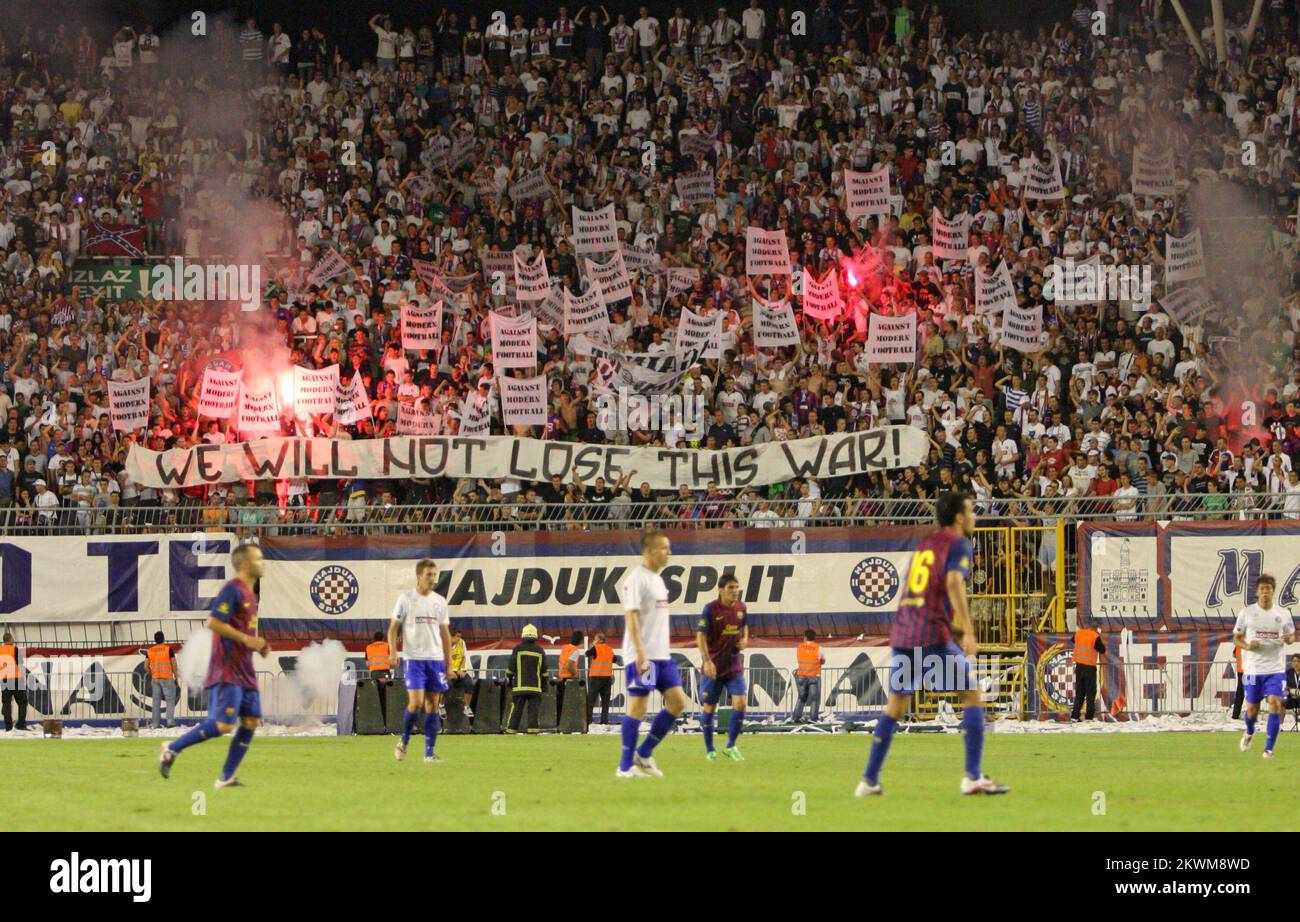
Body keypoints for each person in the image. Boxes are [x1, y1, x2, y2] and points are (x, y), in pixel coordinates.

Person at [857, 492, 1009, 796]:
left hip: (903, 631)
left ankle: (868, 781)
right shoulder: (958, 543)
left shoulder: (925, 544)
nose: (974, 517)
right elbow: (953, 582)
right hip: (929, 633)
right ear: (958, 517)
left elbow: (925, 590)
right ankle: (973, 776)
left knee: (896, 707)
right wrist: (967, 629)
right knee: (972, 695)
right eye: (971, 511)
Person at [159, 544, 272, 786]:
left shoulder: (251, 597)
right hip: (227, 667)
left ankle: (225, 777)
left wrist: (258, 645)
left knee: (251, 722)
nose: (263, 563)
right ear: (244, 564)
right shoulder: (232, 589)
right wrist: (246, 639)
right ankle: (171, 748)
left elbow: (244, 633)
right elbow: (213, 622)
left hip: (245, 669)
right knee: (223, 724)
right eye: (258, 559)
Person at [616, 530, 688, 778]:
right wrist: (640, 654)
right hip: (643, 655)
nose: (669, 553)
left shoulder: (658, 579)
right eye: (664, 548)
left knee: (679, 702)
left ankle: (644, 753)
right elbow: (631, 617)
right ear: (649, 551)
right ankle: (625, 767)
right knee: (638, 708)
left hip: (662, 656)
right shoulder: (636, 579)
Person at [388, 559, 453, 762]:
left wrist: (449, 663)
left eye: (435, 574)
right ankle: (404, 741)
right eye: (429, 575)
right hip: (414, 660)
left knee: (432, 705)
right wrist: (392, 652)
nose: (433, 578)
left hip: (435, 660)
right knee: (416, 704)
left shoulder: (440, 601)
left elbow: (445, 634)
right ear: (419, 576)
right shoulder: (406, 599)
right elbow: (392, 629)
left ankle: (429, 753)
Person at [1233, 574, 1296, 758]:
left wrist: (1289, 639)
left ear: (1273, 591)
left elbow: (1292, 635)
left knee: (1276, 704)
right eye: (1262, 589)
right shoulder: (1247, 613)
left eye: (1268, 588)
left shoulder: (1283, 614)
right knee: (1252, 709)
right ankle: (1250, 732)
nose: (1265, 592)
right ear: (1257, 592)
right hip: (1253, 669)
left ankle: (1269, 749)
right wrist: (1247, 645)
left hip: (1275, 670)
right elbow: (1236, 638)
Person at [696, 574, 748, 761]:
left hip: (734, 666)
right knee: (710, 707)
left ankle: (731, 746)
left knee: (741, 703)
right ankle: (710, 750)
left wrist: (744, 639)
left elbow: (744, 627)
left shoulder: (742, 608)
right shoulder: (710, 609)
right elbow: (700, 636)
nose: (735, 591)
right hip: (714, 667)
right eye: (731, 588)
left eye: (736, 587)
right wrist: (706, 660)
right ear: (721, 590)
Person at [506, 624, 547, 733]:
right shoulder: (540, 650)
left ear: (523, 635)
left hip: (519, 686)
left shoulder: (518, 649)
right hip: (535, 687)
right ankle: (533, 729)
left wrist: (509, 679)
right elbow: (544, 671)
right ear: (535, 636)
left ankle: (511, 729)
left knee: (517, 710)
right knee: (534, 710)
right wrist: (544, 686)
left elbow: (511, 667)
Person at [1069, 624, 1106, 721]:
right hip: (1089, 668)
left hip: (1079, 666)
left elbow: (1073, 640)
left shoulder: (1079, 633)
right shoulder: (1095, 636)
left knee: (1079, 693)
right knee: (1090, 693)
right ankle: (1089, 717)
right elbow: (1102, 649)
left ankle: (1074, 716)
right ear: (1095, 629)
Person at [143, 631, 179, 729]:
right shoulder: (168, 650)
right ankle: (170, 722)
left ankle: (155, 724)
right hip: (167, 678)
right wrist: (176, 676)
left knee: (156, 702)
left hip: (155, 679)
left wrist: (152, 673)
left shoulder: (150, 651)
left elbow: (145, 666)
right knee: (170, 701)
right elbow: (174, 665)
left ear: (155, 640)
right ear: (163, 639)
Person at [791, 628, 824, 723]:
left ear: (805, 637)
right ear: (814, 637)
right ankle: (813, 718)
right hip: (814, 676)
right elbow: (823, 660)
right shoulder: (819, 647)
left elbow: (799, 658)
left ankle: (796, 718)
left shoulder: (799, 647)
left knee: (801, 698)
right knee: (814, 699)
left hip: (801, 676)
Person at [585, 632, 616, 724]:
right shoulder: (610, 649)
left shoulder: (596, 647)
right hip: (607, 678)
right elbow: (614, 659)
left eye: (595, 639)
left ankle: (588, 721)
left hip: (596, 677)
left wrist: (593, 645)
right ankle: (604, 721)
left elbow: (586, 654)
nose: (594, 640)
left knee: (591, 700)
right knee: (605, 701)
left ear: (598, 640)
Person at [0, 632, 27, 732]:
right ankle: (21, 724)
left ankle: (8, 727)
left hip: (5, 679)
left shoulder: (0, 650)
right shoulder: (15, 649)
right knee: (22, 702)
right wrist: (24, 677)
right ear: (10, 639)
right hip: (16, 678)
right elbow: (20, 665)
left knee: (6, 703)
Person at [556, 629, 585, 724]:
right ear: (580, 641)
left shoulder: (564, 648)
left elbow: (562, 663)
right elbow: (569, 665)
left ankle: (559, 722)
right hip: (570, 679)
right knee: (570, 702)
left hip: (561, 678)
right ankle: (568, 723)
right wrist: (576, 674)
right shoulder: (575, 651)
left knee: (560, 702)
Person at [365, 630, 393, 725]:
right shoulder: (387, 646)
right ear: (383, 638)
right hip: (385, 673)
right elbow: (394, 661)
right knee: (387, 697)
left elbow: (367, 663)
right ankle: (387, 722)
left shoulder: (368, 647)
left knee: (376, 697)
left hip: (374, 674)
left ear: (374, 639)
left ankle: (377, 722)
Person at [447, 626, 475, 719]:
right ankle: (441, 705)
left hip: (458, 670)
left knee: (469, 683)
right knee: (446, 685)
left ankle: (467, 707)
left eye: (460, 636)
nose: (459, 638)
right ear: (450, 636)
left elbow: (463, 657)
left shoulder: (462, 642)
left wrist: (462, 670)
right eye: (457, 636)